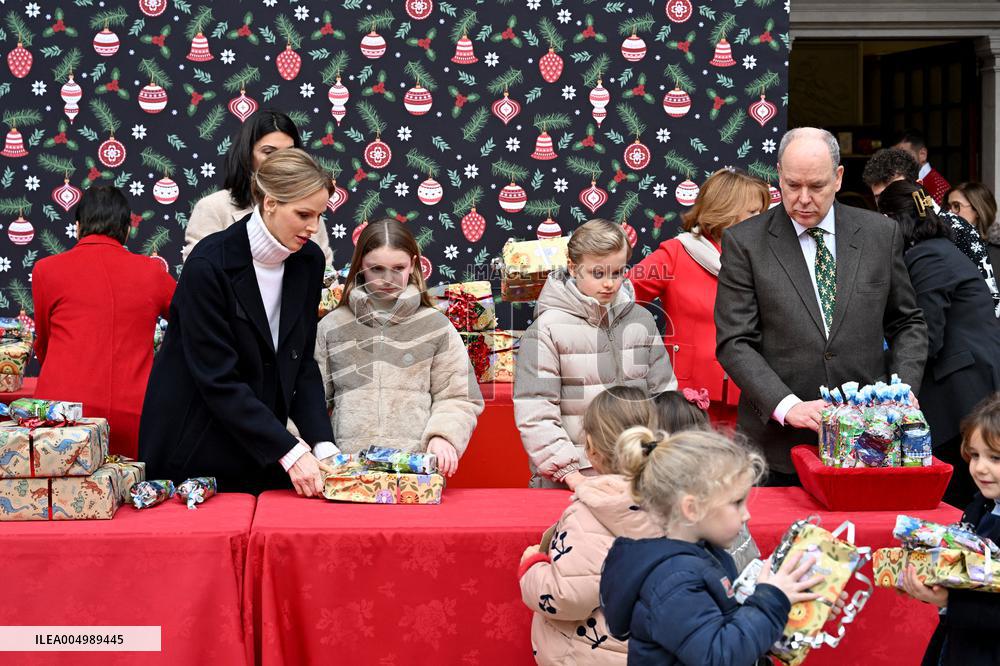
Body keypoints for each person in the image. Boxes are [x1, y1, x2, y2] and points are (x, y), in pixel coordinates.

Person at [715, 127, 928, 485]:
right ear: (778, 176)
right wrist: (788, 406)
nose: (803, 199)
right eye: (792, 185)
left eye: (816, 186)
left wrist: (901, 394)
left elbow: (907, 322)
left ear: (838, 178)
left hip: (870, 442)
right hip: (777, 447)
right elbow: (735, 342)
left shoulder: (880, 234)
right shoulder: (745, 243)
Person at [139, 149, 335, 496]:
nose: (313, 227)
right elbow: (216, 378)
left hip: (260, 448)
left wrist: (322, 444)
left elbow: (300, 362)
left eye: (320, 215)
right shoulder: (208, 264)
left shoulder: (309, 261)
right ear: (270, 202)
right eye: (304, 214)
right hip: (194, 448)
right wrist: (290, 451)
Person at [600, 427, 824, 666]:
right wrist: (771, 599)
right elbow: (720, 657)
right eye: (736, 503)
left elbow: (734, 630)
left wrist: (791, 600)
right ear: (692, 508)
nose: (746, 514)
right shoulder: (673, 583)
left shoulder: (706, 556)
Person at [314, 218, 483, 476]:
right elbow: (308, 398)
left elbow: (459, 396)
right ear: (360, 265)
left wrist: (444, 435)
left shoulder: (435, 326)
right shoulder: (331, 326)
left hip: (415, 474)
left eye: (398, 268)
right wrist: (315, 449)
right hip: (348, 473)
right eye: (376, 269)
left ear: (413, 265)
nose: (387, 279)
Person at [515, 219, 676, 490]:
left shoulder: (642, 319)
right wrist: (572, 475)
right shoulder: (546, 329)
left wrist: (659, 460)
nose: (610, 284)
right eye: (598, 274)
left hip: (639, 476)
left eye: (618, 272)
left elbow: (665, 396)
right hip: (572, 480)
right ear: (572, 268)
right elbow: (536, 413)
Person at [877, 181, 1000, 506]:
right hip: (967, 381)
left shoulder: (928, 256)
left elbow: (926, 338)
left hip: (961, 387)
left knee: (960, 495)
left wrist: (878, 372)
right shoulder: (939, 250)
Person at [518, 386, 660, 666]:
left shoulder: (592, 512)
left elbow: (566, 596)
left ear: (591, 449)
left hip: (588, 654)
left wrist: (532, 568)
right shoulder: (677, 502)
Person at [31, 186, 175, 458]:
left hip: (61, 413)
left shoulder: (46, 270)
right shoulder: (152, 273)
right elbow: (193, 322)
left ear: (77, 226)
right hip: (134, 410)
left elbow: (44, 341)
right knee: (133, 492)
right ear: (127, 230)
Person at [630, 168, 770, 427]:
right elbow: (620, 295)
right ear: (725, 209)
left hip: (750, 396)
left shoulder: (766, 259)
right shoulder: (675, 254)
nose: (762, 220)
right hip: (689, 401)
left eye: (763, 212)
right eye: (753, 212)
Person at [901, 393, 1000, 666]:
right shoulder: (979, 506)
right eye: (975, 455)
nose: (980, 468)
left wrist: (951, 602)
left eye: (995, 458)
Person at [183, 109, 333, 264]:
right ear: (247, 155)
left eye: (290, 152)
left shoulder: (310, 211)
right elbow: (198, 275)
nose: (281, 161)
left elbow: (326, 275)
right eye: (269, 152)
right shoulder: (214, 208)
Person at [863, 152, 1000, 317]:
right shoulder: (881, 231)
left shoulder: (959, 229)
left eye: (897, 192)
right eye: (880, 198)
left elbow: (990, 301)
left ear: (918, 185)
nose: (889, 203)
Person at [894, 128, 951, 204]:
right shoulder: (907, 181)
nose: (898, 161)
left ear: (922, 154)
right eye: (896, 156)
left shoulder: (939, 189)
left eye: (904, 155)